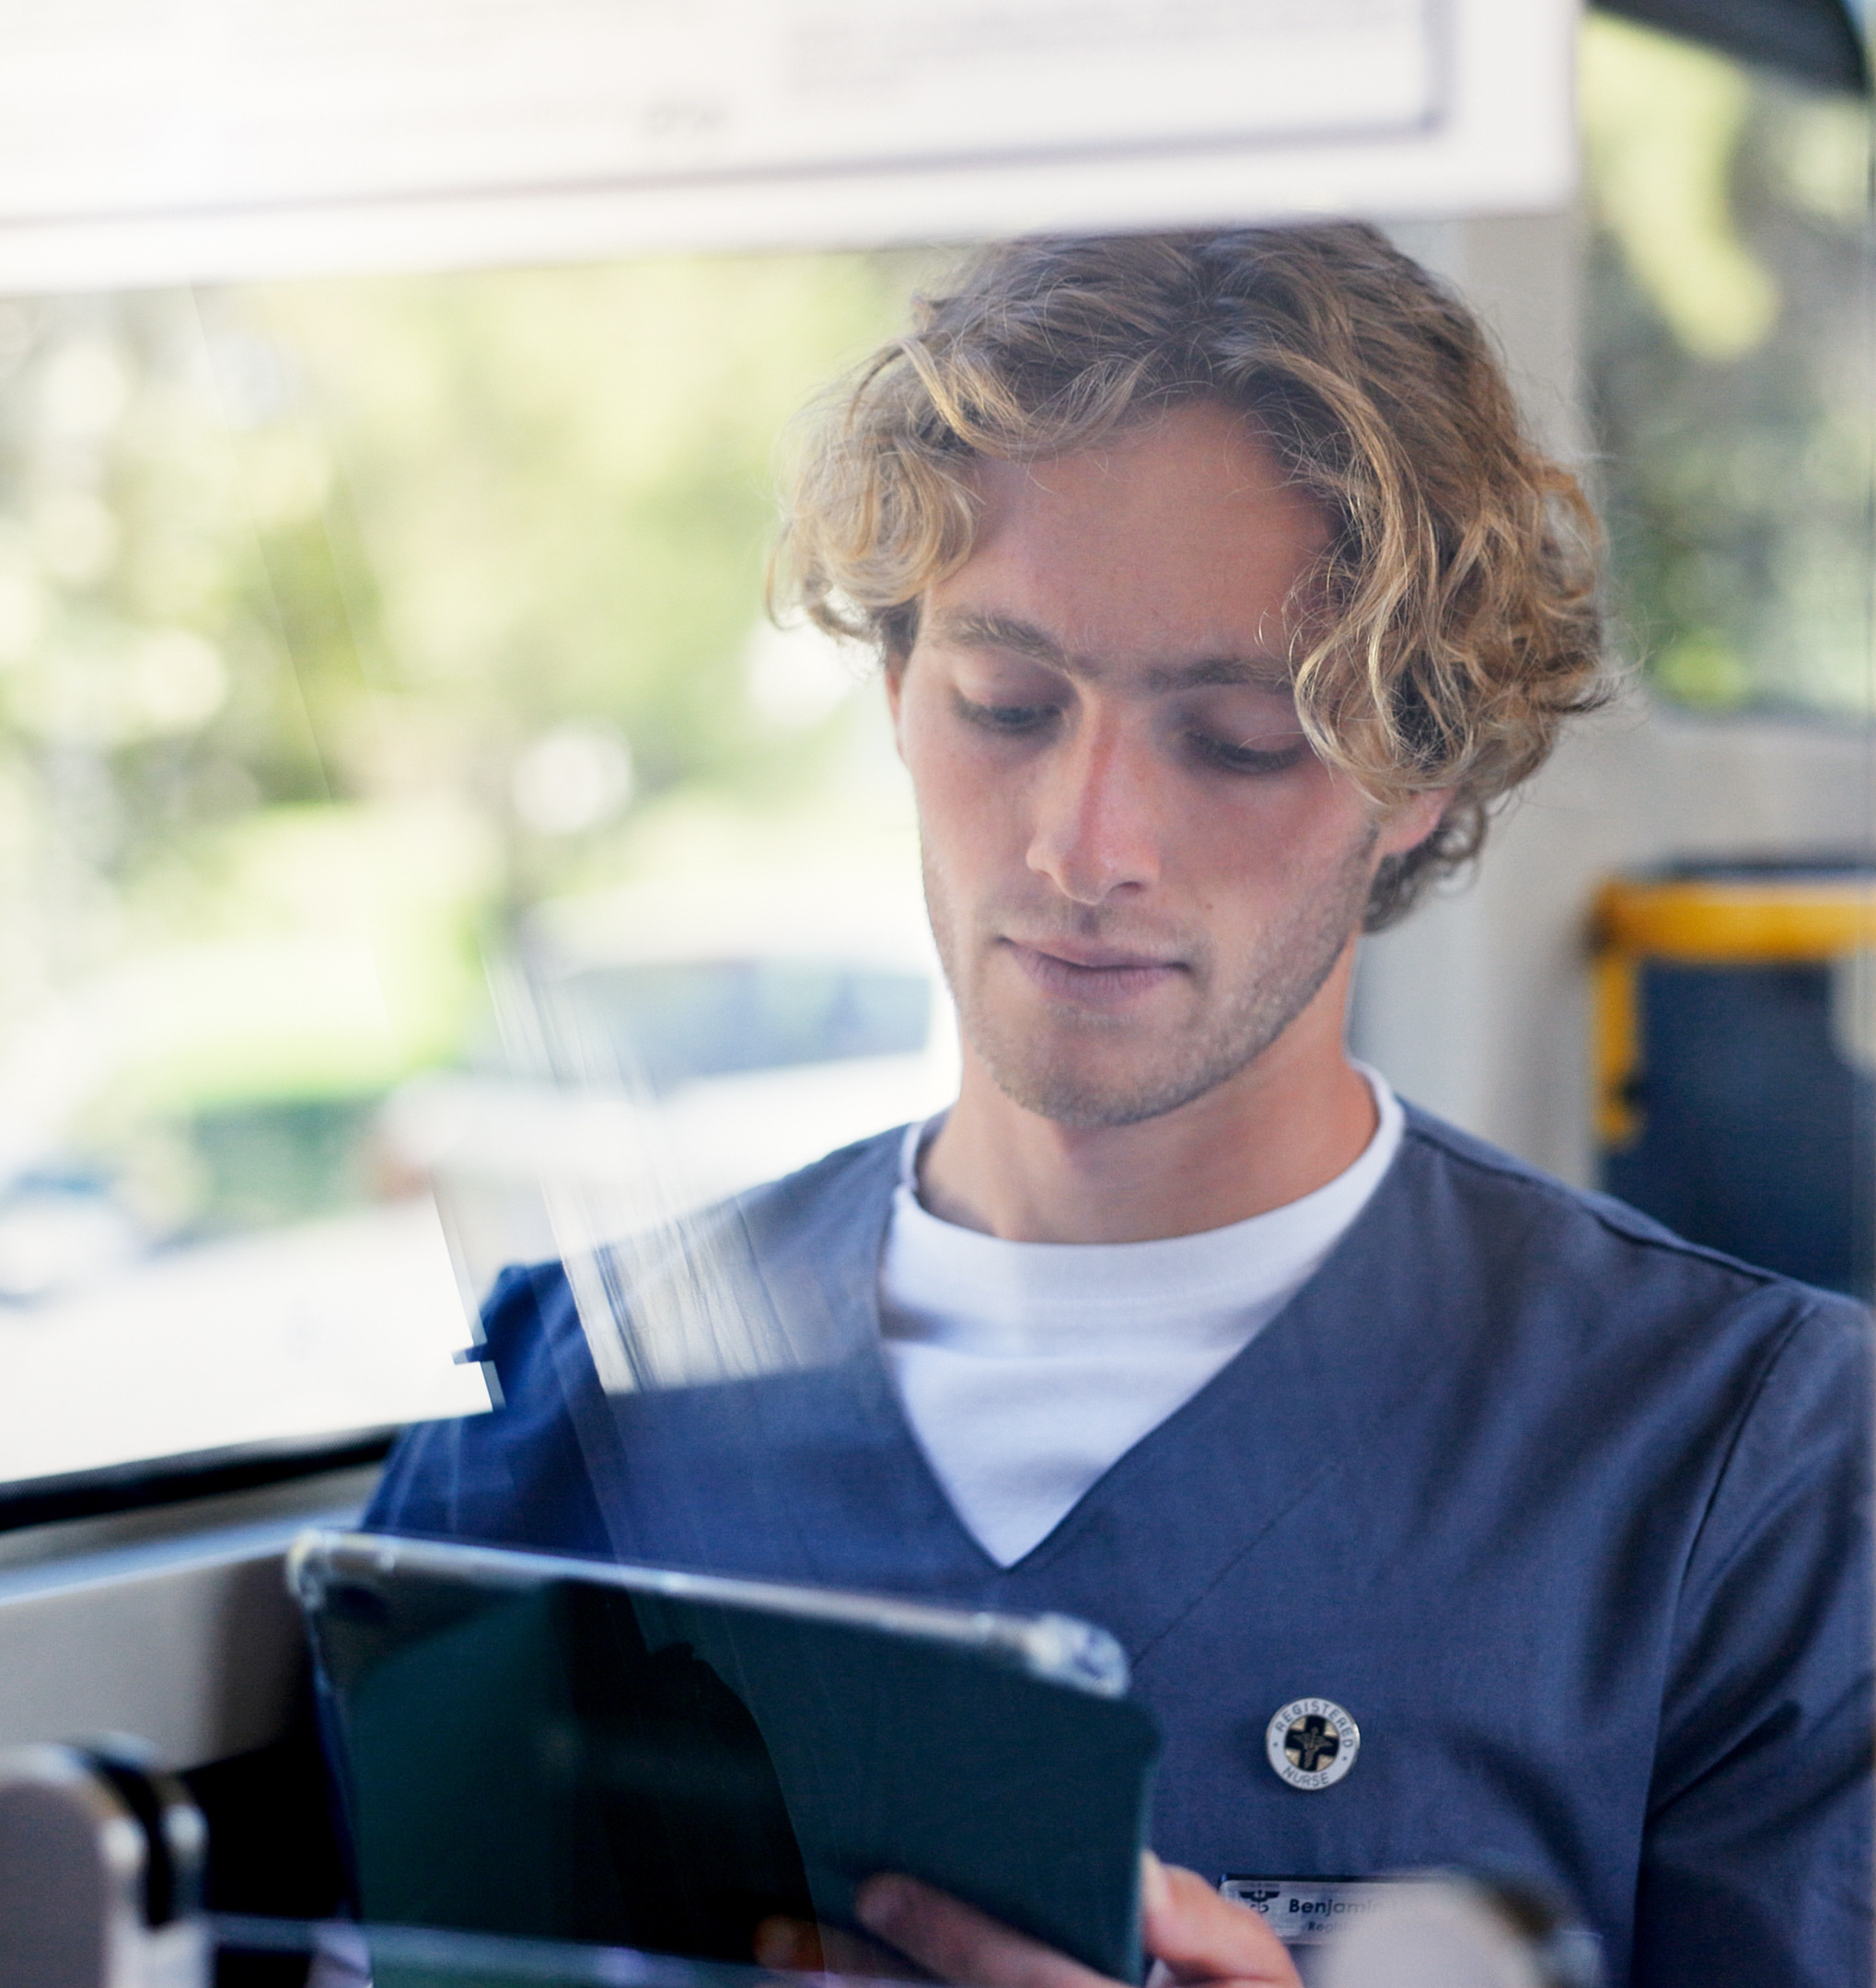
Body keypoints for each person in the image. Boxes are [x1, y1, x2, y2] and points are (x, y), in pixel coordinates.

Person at [368, 226, 1871, 1988]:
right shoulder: (569, 1420)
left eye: (1237, 736)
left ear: (1417, 772)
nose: (1083, 847)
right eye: (1005, 707)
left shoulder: (1736, 1469)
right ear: (895, 691)